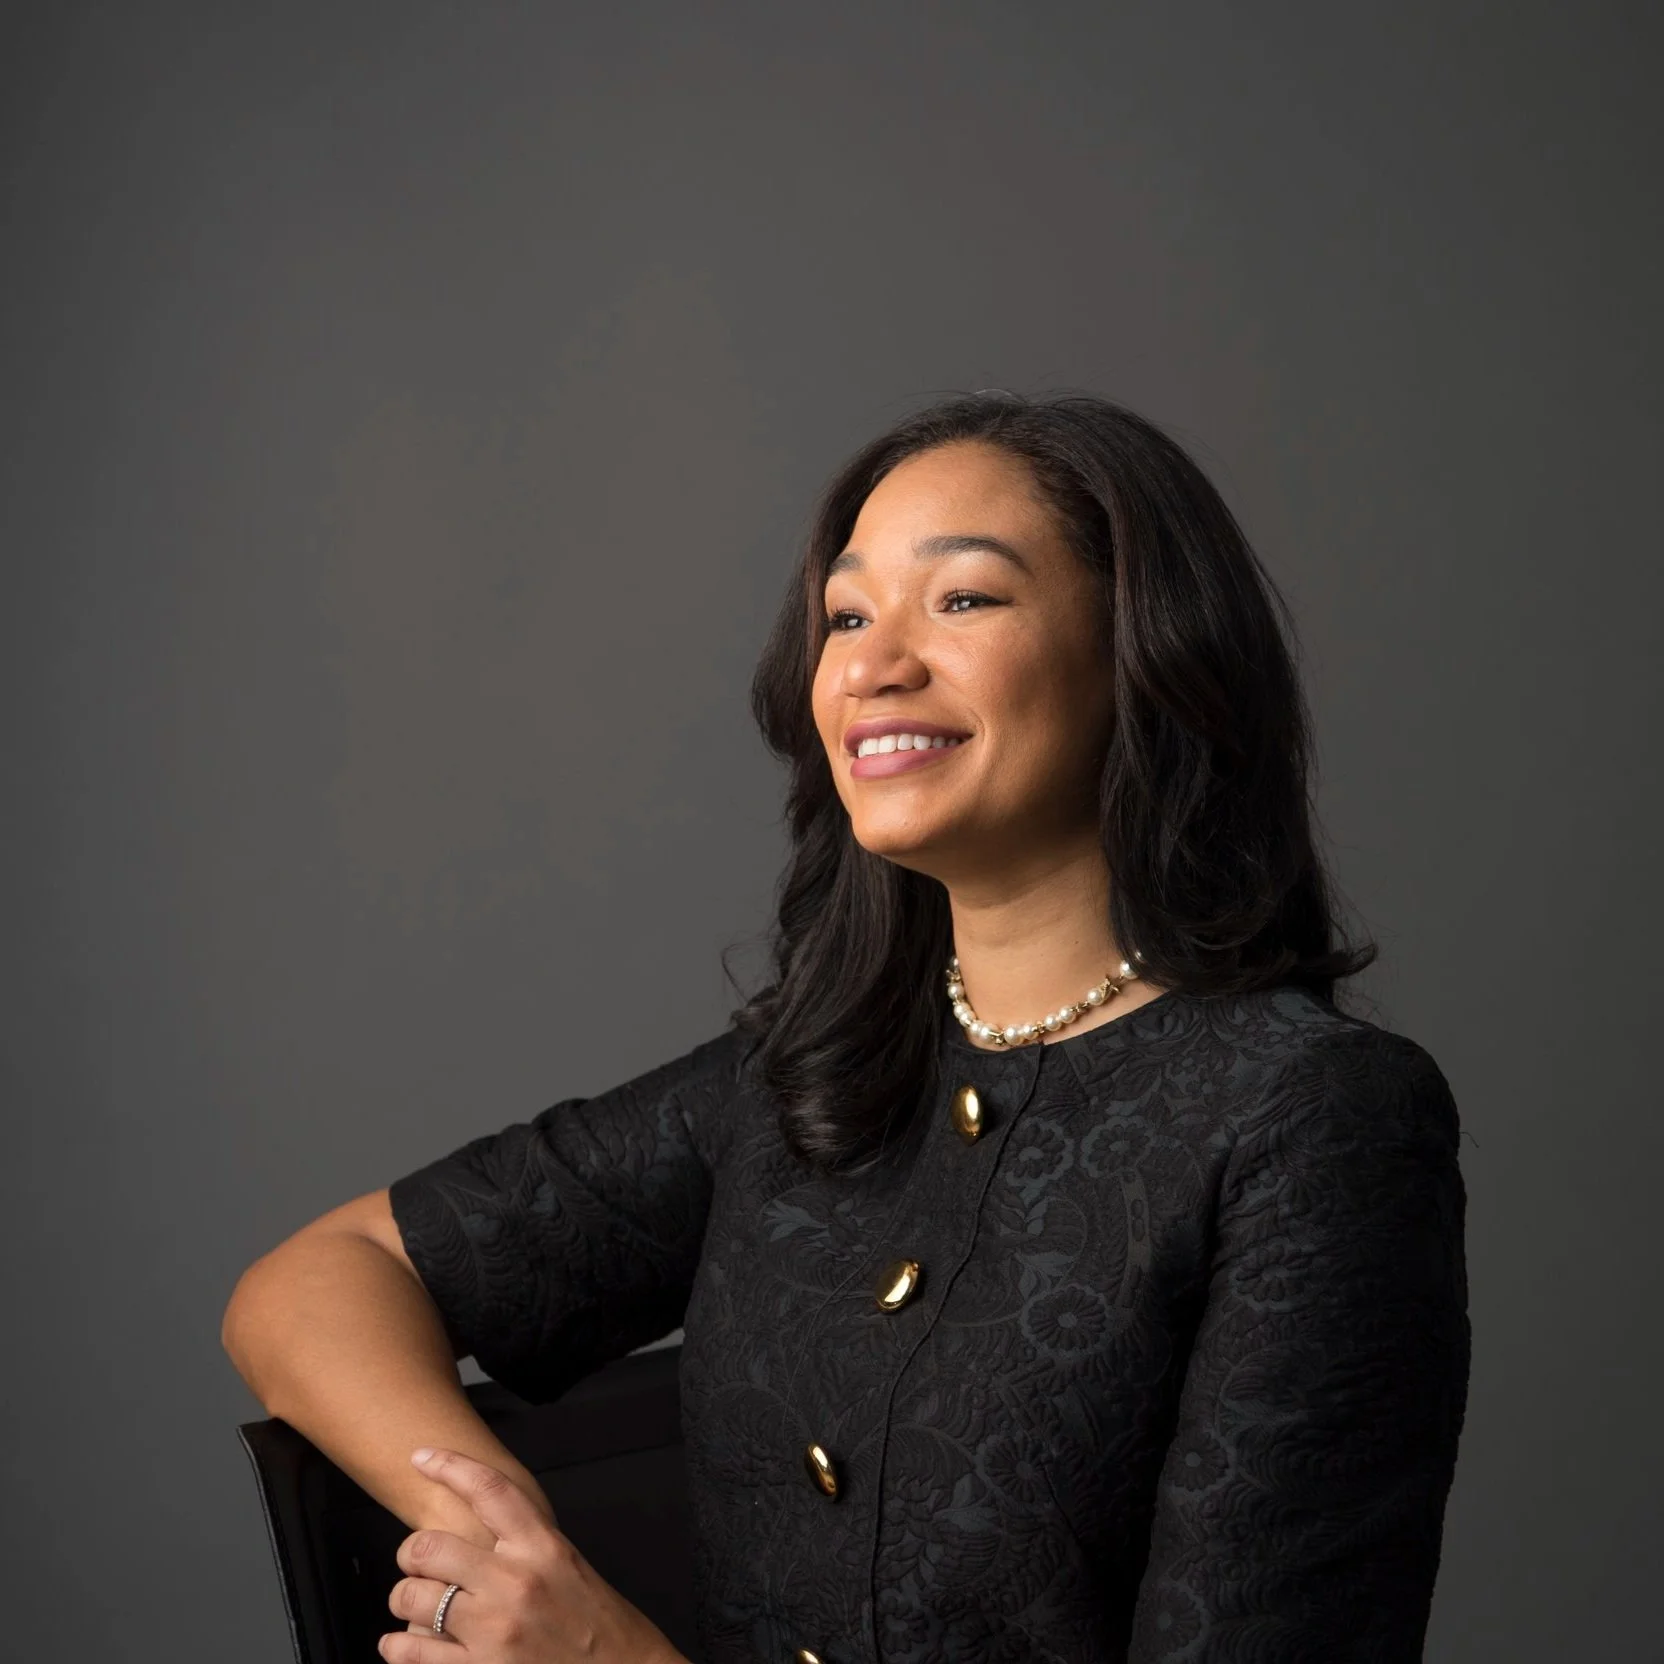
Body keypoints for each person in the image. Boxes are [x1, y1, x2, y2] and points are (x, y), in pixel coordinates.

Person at [222, 390, 1471, 1664]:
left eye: (963, 599)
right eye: (845, 614)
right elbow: (311, 1286)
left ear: (1143, 648)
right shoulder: (804, 1082)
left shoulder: (1309, 1118)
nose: (873, 663)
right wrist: (499, 1534)